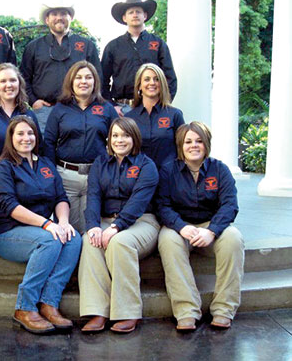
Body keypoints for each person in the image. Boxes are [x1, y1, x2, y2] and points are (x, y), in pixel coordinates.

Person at [0, 116, 81, 334]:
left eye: (30, 133)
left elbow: (60, 197)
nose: (26, 138)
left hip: (39, 228)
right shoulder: (2, 167)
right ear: (10, 138)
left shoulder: (45, 164)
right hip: (7, 232)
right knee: (50, 241)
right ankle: (25, 307)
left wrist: (64, 223)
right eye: (20, 133)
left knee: (73, 238)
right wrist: (48, 224)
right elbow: (10, 207)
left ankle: (49, 303)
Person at [156, 122, 244, 331]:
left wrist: (212, 230)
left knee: (234, 238)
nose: (193, 146)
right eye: (188, 142)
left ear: (206, 144)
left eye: (198, 141)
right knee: (167, 241)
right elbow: (162, 205)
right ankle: (187, 311)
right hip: (179, 226)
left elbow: (230, 205)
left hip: (210, 225)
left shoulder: (220, 169)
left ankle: (224, 309)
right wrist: (180, 226)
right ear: (180, 146)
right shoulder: (168, 170)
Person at [78, 117, 160, 334]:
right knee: (89, 240)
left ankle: (128, 312)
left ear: (134, 138)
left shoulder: (147, 166)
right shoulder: (100, 163)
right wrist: (94, 226)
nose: (119, 140)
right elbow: (93, 197)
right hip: (106, 219)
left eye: (125, 135)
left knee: (120, 242)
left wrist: (116, 227)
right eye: (115, 135)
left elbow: (138, 203)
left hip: (142, 221)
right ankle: (97, 311)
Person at [44, 61, 118, 233]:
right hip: (65, 176)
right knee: (67, 227)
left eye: (88, 77)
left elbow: (119, 140)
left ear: (95, 82)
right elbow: (48, 141)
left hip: (96, 176)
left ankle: (88, 260)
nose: (83, 81)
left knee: (90, 227)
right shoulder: (60, 109)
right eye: (78, 77)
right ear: (71, 81)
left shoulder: (106, 109)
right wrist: (52, 172)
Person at [20, 1, 102, 131]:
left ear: (71, 18)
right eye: (54, 14)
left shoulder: (86, 45)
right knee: (44, 148)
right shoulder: (34, 47)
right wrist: (33, 101)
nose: (59, 17)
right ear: (47, 19)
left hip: (77, 109)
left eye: (63, 13)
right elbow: (23, 78)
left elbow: (98, 78)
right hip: (44, 111)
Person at [101, 0, 177, 116]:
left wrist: (162, 105)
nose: (135, 15)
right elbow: (102, 80)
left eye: (138, 12)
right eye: (131, 12)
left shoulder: (158, 44)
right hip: (122, 109)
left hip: (151, 108)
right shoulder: (113, 46)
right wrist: (111, 106)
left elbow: (170, 78)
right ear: (124, 18)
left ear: (145, 16)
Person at [125, 63, 185, 169]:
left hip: (169, 178)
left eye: (156, 79)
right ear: (139, 85)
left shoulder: (175, 115)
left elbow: (183, 149)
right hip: (139, 178)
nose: (152, 83)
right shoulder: (129, 118)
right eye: (147, 79)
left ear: (162, 84)